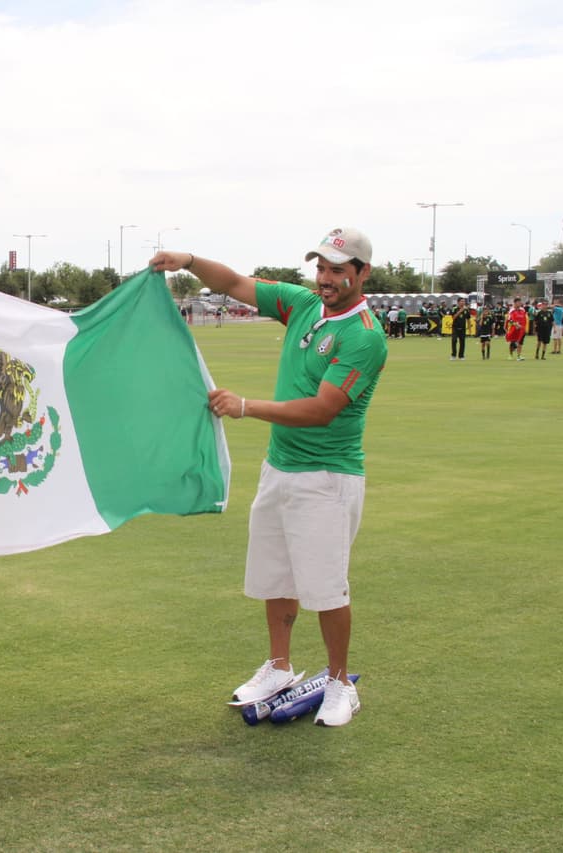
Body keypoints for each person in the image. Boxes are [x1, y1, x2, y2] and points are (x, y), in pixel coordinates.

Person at [149, 226, 388, 727]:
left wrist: (246, 407)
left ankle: (340, 683)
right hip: (279, 469)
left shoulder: (363, 336)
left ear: (362, 273)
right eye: (320, 268)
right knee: (276, 577)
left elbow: (324, 408)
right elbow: (235, 282)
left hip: (327, 476)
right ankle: (279, 666)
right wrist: (188, 259)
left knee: (326, 588)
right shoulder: (302, 304)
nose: (324, 278)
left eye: (337, 271)